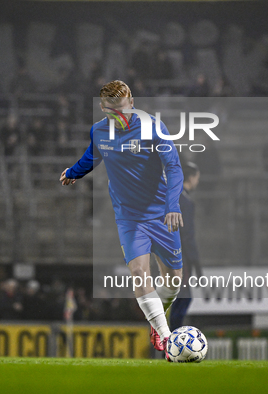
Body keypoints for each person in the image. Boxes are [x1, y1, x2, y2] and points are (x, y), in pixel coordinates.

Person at [60, 80, 184, 361]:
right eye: (114, 110)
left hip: (161, 214)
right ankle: (165, 338)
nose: (122, 115)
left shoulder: (153, 127)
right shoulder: (99, 131)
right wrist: (74, 172)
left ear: (132, 101)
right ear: (104, 109)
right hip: (129, 217)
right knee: (140, 273)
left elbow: (173, 167)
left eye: (125, 107)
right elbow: (92, 158)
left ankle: (158, 318)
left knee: (174, 281)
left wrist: (172, 205)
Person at [170, 162, 203, 331]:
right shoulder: (186, 202)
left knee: (178, 299)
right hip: (180, 259)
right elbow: (188, 236)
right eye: (197, 178)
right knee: (183, 299)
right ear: (191, 178)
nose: (197, 182)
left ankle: (168, 343)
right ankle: (171, 342)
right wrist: (196, 263)